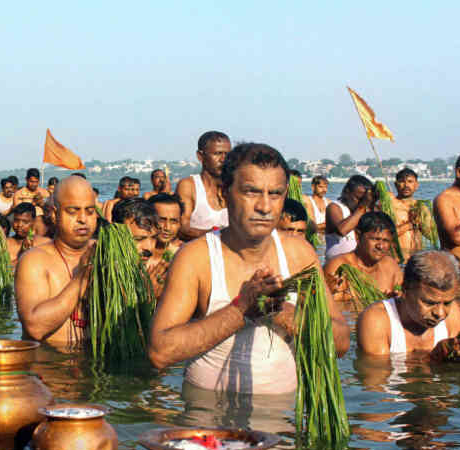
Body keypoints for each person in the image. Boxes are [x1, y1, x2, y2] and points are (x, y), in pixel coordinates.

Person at [149, 143, 349, 394]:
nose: (265, 207)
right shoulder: (197, 257)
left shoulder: (299, 253)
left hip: (283, 417)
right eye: (251, 192)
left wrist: (283, 313)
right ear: (224, 193)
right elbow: (160, 351)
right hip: (208, 416)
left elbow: (341, 343)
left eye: (275, 194)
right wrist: (241, 309)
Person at [15, 175, 97, 346]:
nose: (83, 219)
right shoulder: (34, 260)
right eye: (73, 211)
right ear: (54, 214)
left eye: (90, 211)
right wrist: (81, 279)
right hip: (51, 365)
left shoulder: (106, 252)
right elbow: (35, 328)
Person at [356, 250, 460, 362]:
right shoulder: (376, 320)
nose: (440, 313)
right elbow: (376, 375)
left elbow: (458, 373)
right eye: (429, 303)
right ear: (405, 290)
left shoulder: (452, 313)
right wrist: (432, 358)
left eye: (447, 303)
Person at [324, 212, 403, 299]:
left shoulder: (391, 266)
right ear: (357, 236)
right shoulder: (338, 267)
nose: (380, 246)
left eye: (385, 241)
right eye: (375, 239)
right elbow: (328, 306)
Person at [176, 131, 231, 239]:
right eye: (217, 153)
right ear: (200, 156)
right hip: (198, 251)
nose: (223, 159)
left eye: (227, 154)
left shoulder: (234, 186)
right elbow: (182, 228)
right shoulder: (189, 186)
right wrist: (216, 234)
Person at [112, 197, 169, 296]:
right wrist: (148, 294)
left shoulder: (155, 272)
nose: (149, 247)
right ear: (117, 236)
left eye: (154, 238)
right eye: (138, 239)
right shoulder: (103, 274)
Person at [325, 174, 375, 260]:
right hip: (337, 264)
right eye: (358, 198)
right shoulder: (334, 207)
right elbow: (341, 231)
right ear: (347, 192)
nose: (360, 202)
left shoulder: (367, 211)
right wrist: (362, 206)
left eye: (364, 199)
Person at [390, 168, 423, 258]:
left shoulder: (420, 206)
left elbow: (429, 234)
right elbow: (387, 234)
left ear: (416, 185)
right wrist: (410, 224)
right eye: (402, 182)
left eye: (410, 182)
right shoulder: (389, 204)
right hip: (398, 259)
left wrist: (421, 220)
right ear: (396, 185)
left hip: (417, 259)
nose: (406, 185)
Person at [147, 193, 183, 260]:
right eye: (161, 220)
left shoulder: (182, 255)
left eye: (173, 221)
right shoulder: (132, 253)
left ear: (180, 223)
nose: (167, 228)